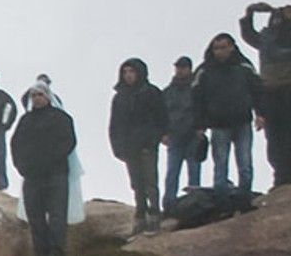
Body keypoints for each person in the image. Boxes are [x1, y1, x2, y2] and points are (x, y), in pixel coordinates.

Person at [193, 32, 261, 212]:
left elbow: (257, 91)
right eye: (216, 48)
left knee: (245, 165)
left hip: (242, 121)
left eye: (223, 47)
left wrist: (260, 114)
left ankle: (244, 203)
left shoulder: (244, 66)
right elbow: (196, 100)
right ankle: (223, 207)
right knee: (220, 166)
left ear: (232, 47)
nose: (220, 52)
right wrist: (199, 125)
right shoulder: (204, 71)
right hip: (218, 124)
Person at [240, 1, 291, 189]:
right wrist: (249, 13)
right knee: (274, 135)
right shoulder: (265, 38)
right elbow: (248, 34)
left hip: (290, 87)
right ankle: (281, 173)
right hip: (269, 89)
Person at [11, 81, 77, 256]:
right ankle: (40, 254)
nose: (37, 99)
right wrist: (22, 166)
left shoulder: (61, 118)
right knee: (35, 217)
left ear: (48, 96)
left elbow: (68, 142)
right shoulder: (25, 121)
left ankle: (57, 253)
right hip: (32, 176)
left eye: (40, 95)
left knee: (57, 216)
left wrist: (51, 159)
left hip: (56, 174)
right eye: (33, 95)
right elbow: (16, 145)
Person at [109, 58, 168, 230]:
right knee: (136, 182)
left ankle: (155, 213)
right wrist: (117, 147)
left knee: (150, 180)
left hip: (147, 143)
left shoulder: (151, 92)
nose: (128, 76)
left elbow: (162, 117)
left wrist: (157, 136)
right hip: (129, 146)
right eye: (125, 72)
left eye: (131, 72)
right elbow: (115, 125)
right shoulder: (119, 98)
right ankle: (140, 214)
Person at [160, 56, 202, 211]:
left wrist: (201, 128)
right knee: (172, 171)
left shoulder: (197, 89)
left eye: (183, 67)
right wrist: (163, 134)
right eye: (178, 67)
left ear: (190, 69)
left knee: (194, 170)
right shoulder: (168, 92)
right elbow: (161, 115)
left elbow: (202, 110)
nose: (180, 70)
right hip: (174, 136)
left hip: (193, 135)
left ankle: (195, 202)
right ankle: (169, 203)